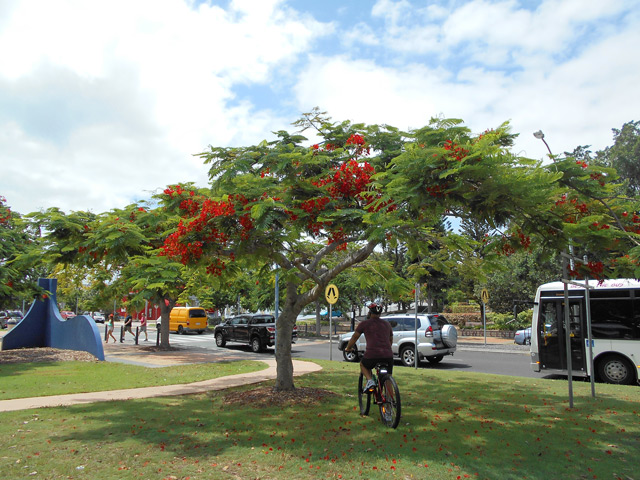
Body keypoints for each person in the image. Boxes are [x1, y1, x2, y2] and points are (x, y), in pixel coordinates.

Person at [345, 301, 394, 392]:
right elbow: (390, 340)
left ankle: (370, 380)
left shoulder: (364, 324)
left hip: (372, 354)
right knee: (388, 379)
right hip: (388, 355)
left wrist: (348, 348)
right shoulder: (387, 324)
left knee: (363, 365)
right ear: (380, 313)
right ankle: (390, 402)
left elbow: (354, 337)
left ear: (370, 313)